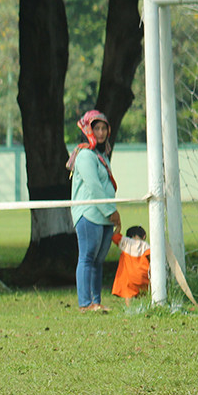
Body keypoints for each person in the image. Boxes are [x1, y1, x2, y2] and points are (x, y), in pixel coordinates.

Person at [67, 109, 121, 313]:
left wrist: (111, 213)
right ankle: (85, 303)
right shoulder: (85, 156)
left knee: (98, 260)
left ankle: (96, 301)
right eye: (96, 128)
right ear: (87, 130)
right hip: (89, 214)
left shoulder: (101, 155)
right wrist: (111, 211)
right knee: (87, 257)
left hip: (105, 216)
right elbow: (94, 187)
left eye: (103, 128)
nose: (100, 133)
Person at [111, 225, 150, 306]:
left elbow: (114, 236)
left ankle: (128, 307)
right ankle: (144, 305)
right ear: (144, 236)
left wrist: (118, 227)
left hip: (129, 278)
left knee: (127, 290)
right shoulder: (146, 246)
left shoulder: (125, 242)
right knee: (144, 290)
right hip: (143, 277)